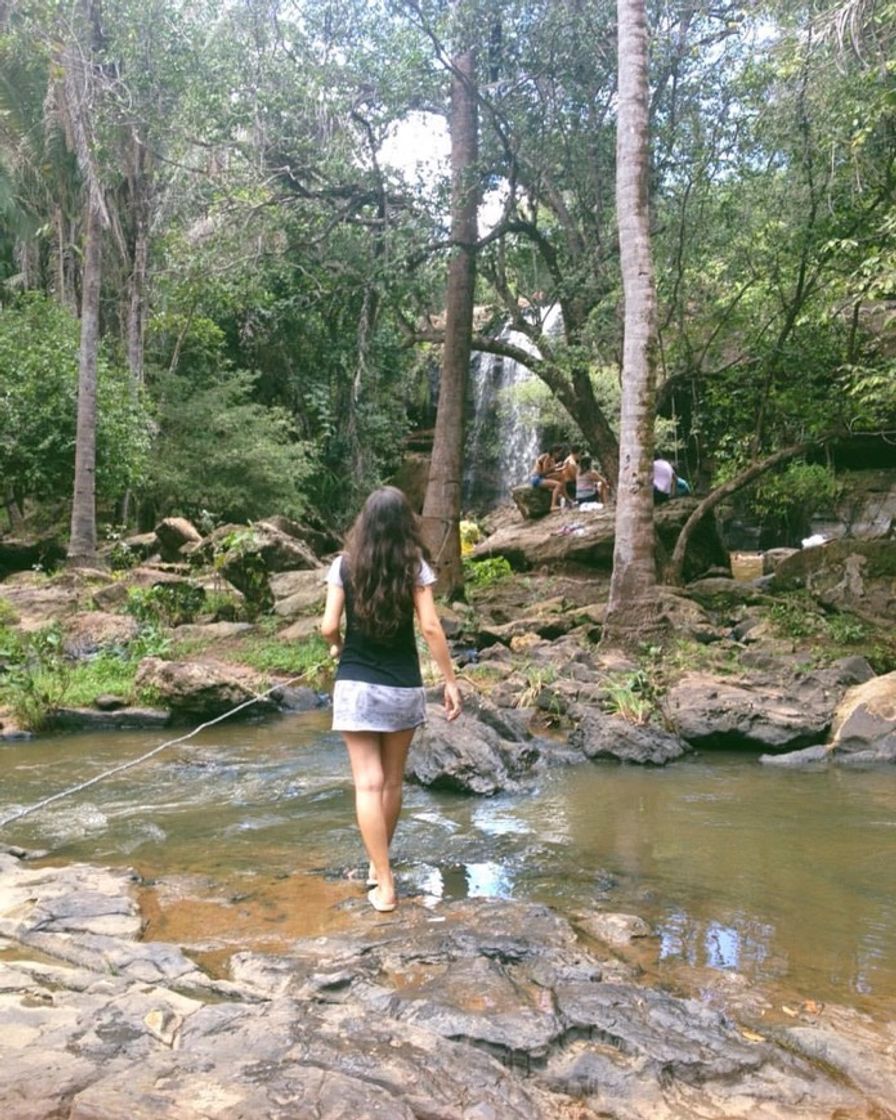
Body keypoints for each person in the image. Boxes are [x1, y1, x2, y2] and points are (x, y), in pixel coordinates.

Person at [320, 486, 462, 914]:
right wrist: (450, 680)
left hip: (356, 687)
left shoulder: (343, 565)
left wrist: (339, 644)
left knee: (367, 783)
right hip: (402, 686)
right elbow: (432, 628)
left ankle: (384, 881)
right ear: (406, 524)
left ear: (364, 522)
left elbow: (328, 625)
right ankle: (376, 866)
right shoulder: (413, 567)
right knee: (393, 782)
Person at [530, 444, 567, 511]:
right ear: (554, 452)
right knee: (558, 484)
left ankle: (566, 498)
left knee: (561, 476)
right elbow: (545, 471)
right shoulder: (546, 457)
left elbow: (552, 471)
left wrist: (561, 468)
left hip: (541, 477)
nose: (559, 455)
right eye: (558, 453)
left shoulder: (551, 459)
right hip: (536, 478)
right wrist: (556, 466)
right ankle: (553, 505)